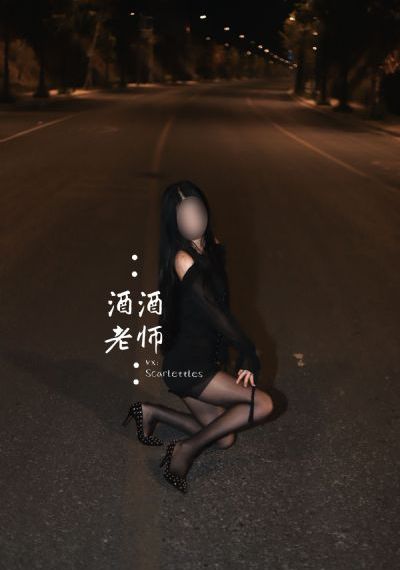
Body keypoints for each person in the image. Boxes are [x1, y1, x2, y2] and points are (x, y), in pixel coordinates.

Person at [122, 180, 274, 493]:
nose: (193, 220)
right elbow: (216, 314)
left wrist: (233, 352)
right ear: (174, 222)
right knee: (262, 404)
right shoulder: (183, 259)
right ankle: (185, 449)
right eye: (184, 215)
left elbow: (223, 305)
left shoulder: (213, 245)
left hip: (203, 360)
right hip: (188, 366)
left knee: (225, 438)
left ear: (205, 209)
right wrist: (248, 352)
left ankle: (151, 412)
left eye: (196, 210)